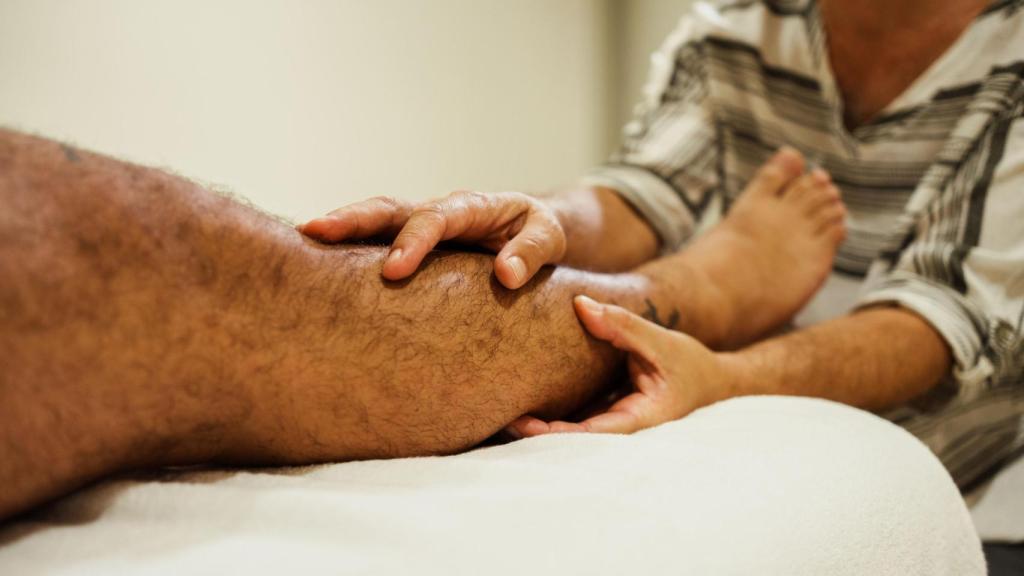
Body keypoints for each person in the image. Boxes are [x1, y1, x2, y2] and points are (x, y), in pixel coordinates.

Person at [0, 0, 1018, 538]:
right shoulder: (736, 30)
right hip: (737, 360)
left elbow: (944, 320)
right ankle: (701, 289)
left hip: (967, 462)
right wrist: (548, 220)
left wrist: (728, 364)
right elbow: (634, 195)